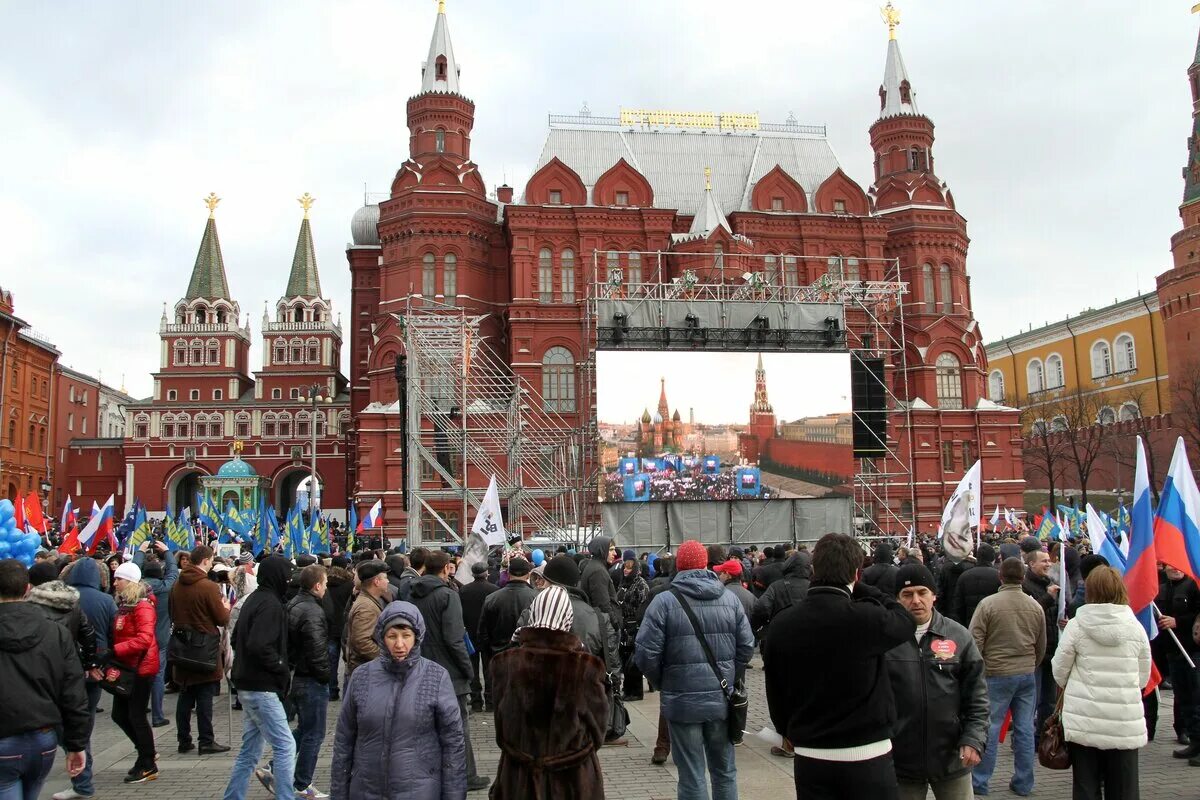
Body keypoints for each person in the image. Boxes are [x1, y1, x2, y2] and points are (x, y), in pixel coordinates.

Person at [763, 533, 915, 800]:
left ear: (813, 569)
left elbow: (775, 688)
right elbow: (904, 619)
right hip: (868, 752)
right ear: (856, 573)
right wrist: (865, 588)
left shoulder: (783, 624)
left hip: (812, 753)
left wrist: (785, 729)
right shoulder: (867, 618)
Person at [635, 539, 754, 800]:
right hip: (721, 699)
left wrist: (664, 681)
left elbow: (645, 653)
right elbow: (746, 645)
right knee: (724, 771)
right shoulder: (729, 599)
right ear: (705, 564)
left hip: (681, 699)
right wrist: (729, 676)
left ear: (679, 565)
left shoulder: (664, 602)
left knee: (691, 774)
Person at [330, 601, 465, 800]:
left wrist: (454, 795)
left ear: (417, 637)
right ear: (382, 638)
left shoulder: (435, 677)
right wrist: (339, 793)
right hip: (367, 790)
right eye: (392, 636)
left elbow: (453, 744)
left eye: (406, 636)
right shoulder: (361, 677)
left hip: (420, 791)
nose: (399, 644)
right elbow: (344, 740)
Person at [489, 585, 608, 799]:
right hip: (572, 781)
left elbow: (501, 727)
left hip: (518, 779)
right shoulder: (586, 668)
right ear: (567, 620)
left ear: (534, 614)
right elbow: (598, 731)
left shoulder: (504, 664)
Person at [885, 563, 988, 800]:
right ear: (897, 599)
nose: (916, 601)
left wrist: (973, 739)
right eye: (907, 595)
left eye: (922, 592)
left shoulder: (958, 636)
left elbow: (978, 697)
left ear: (934, 595)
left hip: (952, 760)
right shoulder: (886, 639)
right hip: (900, 763)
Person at [1052, 566, 1150, 800]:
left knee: (1085, 786)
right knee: (1125, 788)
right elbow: (1143, 676)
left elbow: (1059, 670)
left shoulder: (1077, 625)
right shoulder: (1135, 627)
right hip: (1124, 719)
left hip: (1084, 718)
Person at [0, 559, 89, 799]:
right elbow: (73, 690)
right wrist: (76, 743)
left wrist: (76, 744)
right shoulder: (55, 631)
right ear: (28, 589)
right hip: (42, 739)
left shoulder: (54, 631)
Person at [409, 550, 490, 792]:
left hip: (421, 667)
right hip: (449, 672)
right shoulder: (447, 596)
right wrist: (469, 670)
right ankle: (467, 776)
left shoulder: (411, 592)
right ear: (445, 568)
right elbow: (455, 639)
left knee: (426, 727)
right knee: (458, 728)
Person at [968, 557, 1046, 797]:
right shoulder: (1035, 606)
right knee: (1023, 728)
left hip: (995, 673)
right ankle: (1023, 782)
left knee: (990, 727)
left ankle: (980, 781)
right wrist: (1031, 663)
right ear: (1023, 577)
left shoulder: (988, 605)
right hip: (1025, 673)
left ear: (1000, 576)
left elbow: (974, 640)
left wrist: (980, 667)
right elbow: (1041, 644)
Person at [225, 556, 295, 800]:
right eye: (287, 576)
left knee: (250, 750)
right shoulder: (271, 605)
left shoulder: (253, 599)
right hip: (262, 684)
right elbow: (259, 644)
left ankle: (233, 796)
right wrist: (280, 667)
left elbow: (236, 639)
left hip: (246, 681)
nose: (290, 580)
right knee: (286, 745)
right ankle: (286, 796)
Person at [59, 556, 117, 800]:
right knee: (87, 718)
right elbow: (115, 633)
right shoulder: (106, 600)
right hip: (97, 668)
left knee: (67, 723)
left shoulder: (64, 598)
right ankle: (83, 768)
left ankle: (81, 776)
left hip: (67, 669)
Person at [170, 544, 231, 755]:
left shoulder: (177, 585)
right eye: (212, 559)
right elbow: (222, 619)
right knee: (204, 695)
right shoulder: (208, 587)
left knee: (185, 694)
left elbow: (171, 612)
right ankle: (206, 740)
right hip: (204, 647)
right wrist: (225, 607)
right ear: (205, 560)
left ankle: (183, 739)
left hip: (182, 645)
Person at [110, 562, 160, 784]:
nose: (115, 583)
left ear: (129, 581)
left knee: (135, 715)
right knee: (120, 714)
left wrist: (115, 650)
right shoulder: (126, 605)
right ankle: (144, 753)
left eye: (119, 579)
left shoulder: (142, 606)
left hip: (141, 668)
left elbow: (144, 639)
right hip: (127, 666)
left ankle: (148, 762)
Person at [286, 564, 332, 799]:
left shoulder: (296, 602)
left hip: (300, 674)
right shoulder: (312, 611)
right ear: (316, 585)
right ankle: (302, 784)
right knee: (314, 733)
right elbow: (316, 648)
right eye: (324, 583)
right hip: (311, 678)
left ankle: (274, 767)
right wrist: (325, 675)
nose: (326, 588)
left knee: (304, 729)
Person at [134, 540, 179, 727]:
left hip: (139, 637)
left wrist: (140, 552)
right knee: (158, 675)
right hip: (160, 637)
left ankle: (137, 710)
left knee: (139, 673)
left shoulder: (134, 587)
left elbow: (132, 569)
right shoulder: (166, 587)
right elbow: (173, 571)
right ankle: (157, 715)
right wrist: (168, 552)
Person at [1157, 563, 1200, 759]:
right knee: (1184, 700)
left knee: (1197, 698)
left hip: (1193, 651)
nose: (1175, 568)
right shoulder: (1162, 589)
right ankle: (1195, 740)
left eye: (1178, 564)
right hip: (1172, 652)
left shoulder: (1193, 586)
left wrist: (1178, 622)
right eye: (1170, 565)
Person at [1022, 548, 1061, 738]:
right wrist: (1048, 597)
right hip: (1035, 651)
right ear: (1031, 564)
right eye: (1043, 561)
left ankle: (1042, 738)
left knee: (1049, 701)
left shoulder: (1052, 583)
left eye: (1048, 561)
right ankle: (1024, 739)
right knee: (1032, 700)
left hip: (1052, 649)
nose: (1048, 564)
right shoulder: (1025, 586)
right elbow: (1030, 613)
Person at [476, 556, 535, 674]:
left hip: (499, 657)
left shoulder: (492, 598)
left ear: (508, 573)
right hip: (527, 659)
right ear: (528, 575)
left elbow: (483, 632)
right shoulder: (537, 598)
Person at [458, 561, 498, 712]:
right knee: (489, 670)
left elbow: (460, 613)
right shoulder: (494, 589)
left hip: (470, 635)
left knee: (473, 669)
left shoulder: (464, 590)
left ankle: (476, 701)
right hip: (488, 635)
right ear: (486, 573)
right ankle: (490, 701)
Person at [344, 561, 390, 682]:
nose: (388, 581)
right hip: (365, 672)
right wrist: (385, 656)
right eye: (385, 578)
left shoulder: (368, 602)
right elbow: (362, 642)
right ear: (376, 581)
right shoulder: (366, 607)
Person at [750, 550, 811, 636]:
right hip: (808, 635)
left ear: (788, 565)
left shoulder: (777, 587)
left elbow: (761, 607)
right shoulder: (812, 587)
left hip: (780, 634)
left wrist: (757, 628)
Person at [616, 554, 649, 701]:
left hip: (634, 626)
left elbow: (643, 607)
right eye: (625, 567)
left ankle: (635, 691)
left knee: (633, 661)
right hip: (624, 626)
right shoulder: (623, 583)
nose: (626, 570)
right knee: (625, 659)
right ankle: (627, 689)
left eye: (629, 568)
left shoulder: (641, 584)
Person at [322, 556, 354, 701]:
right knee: (348, 659)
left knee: (331, 660)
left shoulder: (324, 582)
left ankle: (331, 690)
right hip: (345, 626)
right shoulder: (349, 584)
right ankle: (349, 692)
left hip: (328, 625)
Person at [949, 544, 998, 627]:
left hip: (970, 623)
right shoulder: (999, 576)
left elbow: (958, 604)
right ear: (993, 558)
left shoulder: (964, 576)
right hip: (993, 623)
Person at [713, 559, 754, 626]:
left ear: (728, 575)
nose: (719, 576)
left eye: (721, 573)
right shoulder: (751, 596)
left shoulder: (719, 594)